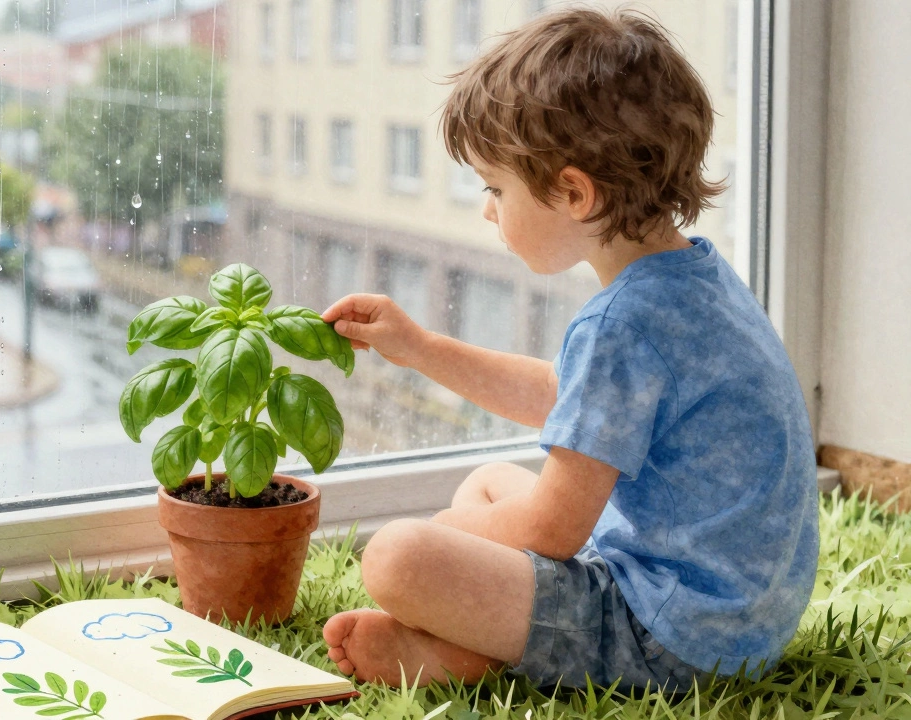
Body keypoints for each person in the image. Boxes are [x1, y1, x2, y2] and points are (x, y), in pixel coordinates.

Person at [319, 7, 818, 695]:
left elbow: (552, 528)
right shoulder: (693, 279)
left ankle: (469, 652)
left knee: (399, 555)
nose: (487, 209)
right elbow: (570, 399)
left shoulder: (623, 323)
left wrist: (454, 534)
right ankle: (475, 644)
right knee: (490, 480)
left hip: (674, 637)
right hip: (736, 613)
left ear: (574, 193)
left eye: (496, 188)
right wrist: (420, 348)